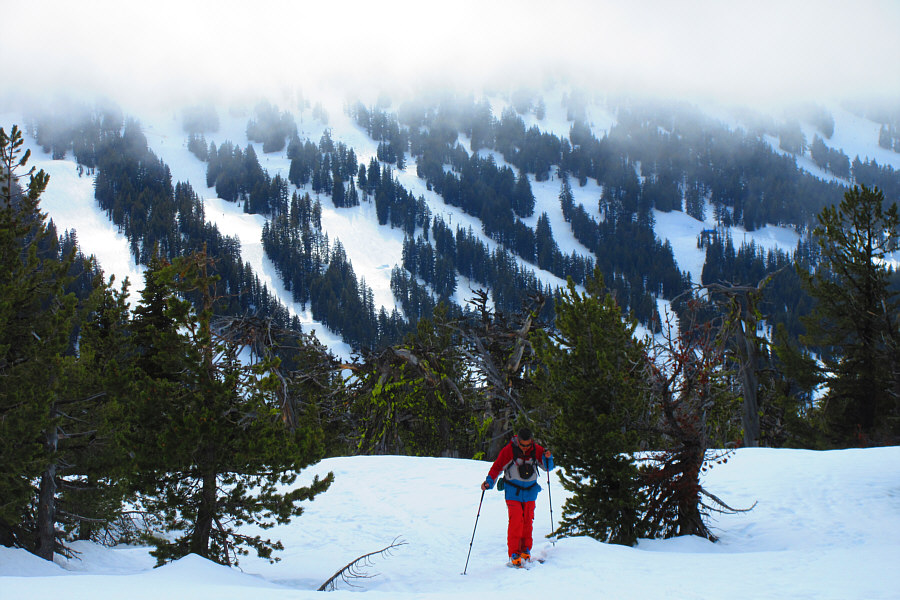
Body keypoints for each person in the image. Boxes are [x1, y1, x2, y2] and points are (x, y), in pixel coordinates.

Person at [480, 428, 553, 567]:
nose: (525, 448)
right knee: (516, 520)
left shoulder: (537, 450)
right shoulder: (509, 451)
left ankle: (526, 549)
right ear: (518, 441)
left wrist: (548, 458)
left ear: (531, 441)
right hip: (513, 491)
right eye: (522, 445)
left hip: (531, 491)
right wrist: (489, 482)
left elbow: (548, 467)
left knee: (527, 520)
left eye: (527, 445)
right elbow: (497, 467)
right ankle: (514, 553)